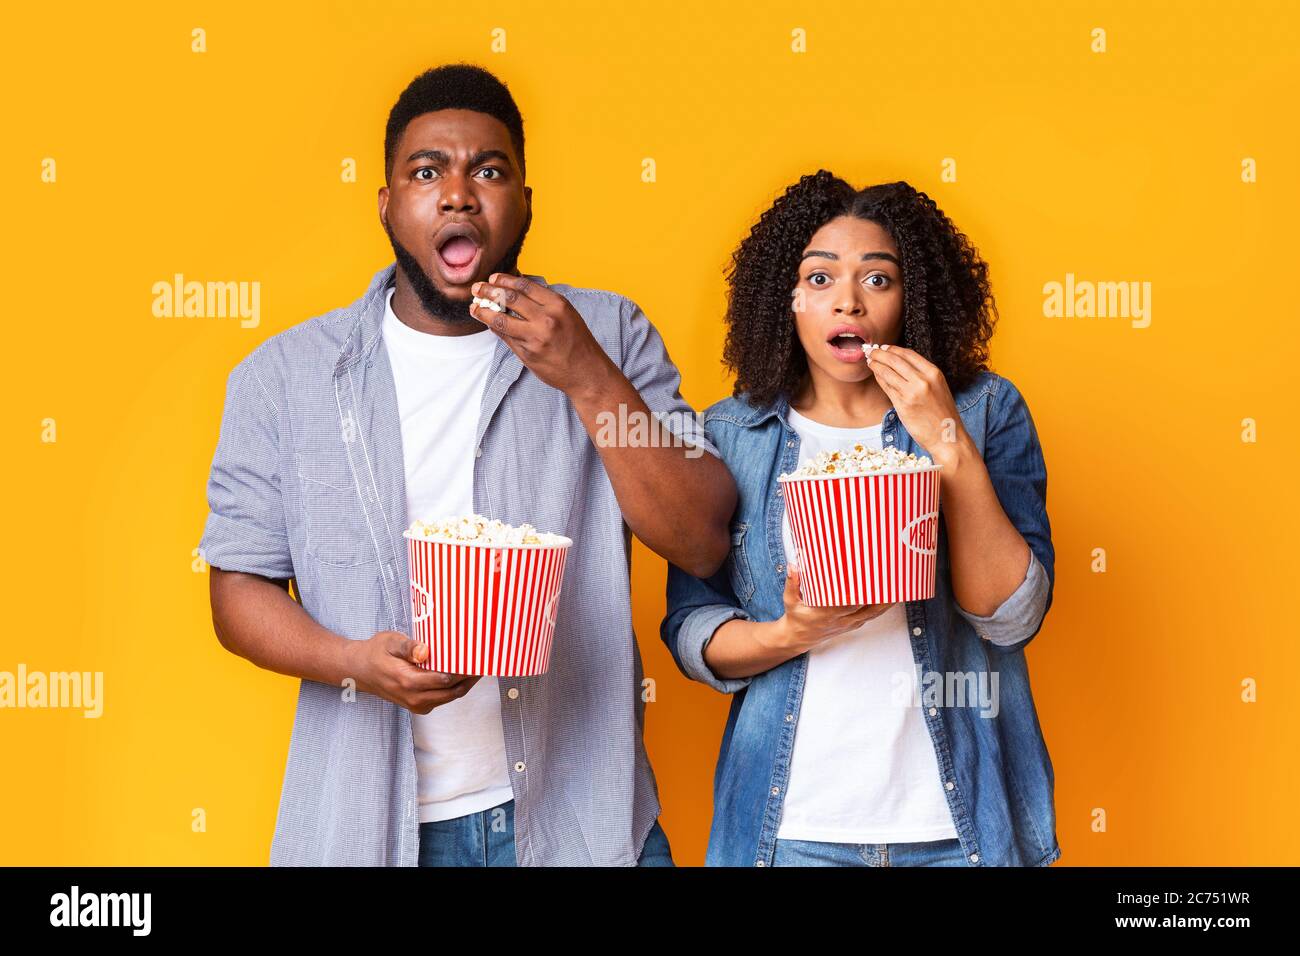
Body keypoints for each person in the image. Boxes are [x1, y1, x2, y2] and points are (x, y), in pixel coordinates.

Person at [198, 62, 736, 866]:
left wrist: (586, 375)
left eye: (489, 170)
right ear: (387, 204)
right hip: (367, 831)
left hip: (582, 824)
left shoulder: (609, 333)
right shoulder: (283, 378)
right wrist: (352, 664)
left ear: (524, 202)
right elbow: (237, 587)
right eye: (426, 172)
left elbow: (701, 539)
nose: (458, 193)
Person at [661, 172, 1059, 867]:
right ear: (782, 301)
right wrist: (789, 633)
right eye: (819, 280)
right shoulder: (729, 434)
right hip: (789, 830)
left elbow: (1010, 616)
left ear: (914, 299)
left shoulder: (985, 410)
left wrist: (947, 442)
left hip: (959, 829)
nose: (847, 300)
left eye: (878, 280)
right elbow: (693, 627)